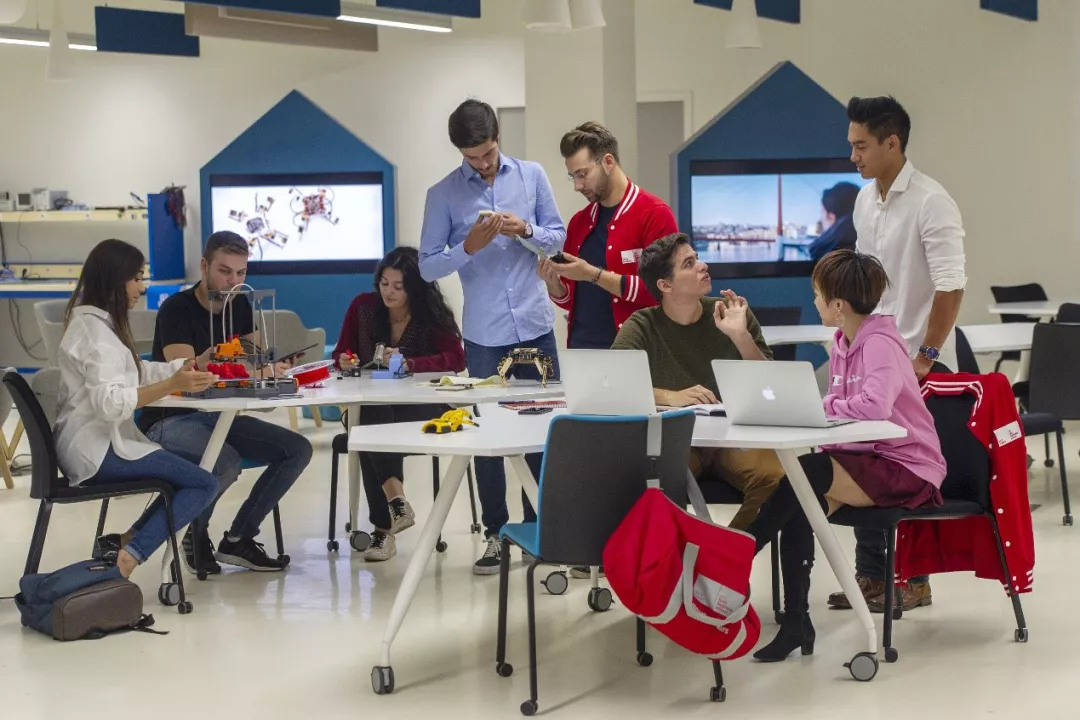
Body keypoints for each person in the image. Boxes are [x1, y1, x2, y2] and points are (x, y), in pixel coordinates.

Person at [744, 249, 946, 662]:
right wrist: (819, 407)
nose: (814, 300)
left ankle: (737, 555)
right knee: (801, 501)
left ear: (838, 305)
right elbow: (840, 407)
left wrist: (821, 406)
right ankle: (796, 622)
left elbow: (874, 407)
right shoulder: (842, 343)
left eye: (817, 294)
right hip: (867, 459)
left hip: (907, 466)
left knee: (808, 472)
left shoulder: (880, 344)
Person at [830, 95, 967, 613]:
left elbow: (951, 285)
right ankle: (872, 577)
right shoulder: (865, 201)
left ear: (892, 142)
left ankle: (915, 581)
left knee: (909, 474)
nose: (853, 157)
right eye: (851, 146)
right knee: (865, 460)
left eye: (861, 146)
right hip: (874, 356)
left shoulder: (932, 201)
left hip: (919, 359)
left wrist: (926, 355)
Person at [418, 98, 566, 575]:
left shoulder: (532, 175)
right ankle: (496, 533)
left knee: (544, 432)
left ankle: (539, 530)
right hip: (485, 334)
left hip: (536, 326)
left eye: (487, 153)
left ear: (497, 137)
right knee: (489, 439)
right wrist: (467, 247)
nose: (482, 164)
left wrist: (526, 229)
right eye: (472, 157)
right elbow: (426, 266)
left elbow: (558, 237)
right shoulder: (442, 194)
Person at [137, 231, 313, 575]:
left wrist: (270, 369)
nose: (233, 282)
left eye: (241, 273)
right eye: (224, 271)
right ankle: (195, 532)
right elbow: (184, 373)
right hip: (169, 419)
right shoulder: (176, 309)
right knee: (225, 461)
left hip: (220, 416)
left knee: (297, 449)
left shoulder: (241, 305)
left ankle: (239, 538)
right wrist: (238, 365)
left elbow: (253, 361)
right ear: (204, 266)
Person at [54, 239, 219, 579]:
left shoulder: (96, 325)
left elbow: (135, 372)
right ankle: (127, 560)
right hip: (96, 451)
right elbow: (111, 403)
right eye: (137, 278)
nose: (142, 288)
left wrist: (186, 366)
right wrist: (172, 385)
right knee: (203, 484)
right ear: (115, 281)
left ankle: (128, 543)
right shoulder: (96, 334)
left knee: (190, 479)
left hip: (93, 445)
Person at [611, 233, 785, 530]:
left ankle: (727, 551)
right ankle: (680, 553)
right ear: (665, 286)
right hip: (677, 439)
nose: (703, 266)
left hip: (733, 437)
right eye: (689, 264)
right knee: (652, 482)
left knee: (777, 479)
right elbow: (614, 385)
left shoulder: (731, 313)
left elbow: (769, 383)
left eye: (697, 258)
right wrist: (672, 396)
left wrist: (740, 337)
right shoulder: (642, 324)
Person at [332, 246, 466, 562]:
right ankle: (397, 504)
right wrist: (345, 360)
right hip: (377, 408)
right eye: (384, 283)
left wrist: (412, 364)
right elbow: (341, 353)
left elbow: (457, 359)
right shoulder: (363, 307)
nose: (388, 292)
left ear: (414, 287)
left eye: (398, 286)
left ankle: (383, 529)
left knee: (364, 429)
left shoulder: (430, 314)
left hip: (426, 410)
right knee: (370, 415)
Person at [538, 121, 678, 349]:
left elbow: (663, 288)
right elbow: (571, 300)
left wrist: (593, 274)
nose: (577, 186)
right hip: (581, 350)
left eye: (582, 174)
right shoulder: (579, 222)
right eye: (573, 176)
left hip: (635, 350)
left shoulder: (655, 214)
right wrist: (554, 285)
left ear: (608, 162)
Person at [807, 182, 860, 260]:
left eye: (822, 212)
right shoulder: (866, 244)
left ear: (831, 216)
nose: (821, 219)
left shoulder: (821, 251)